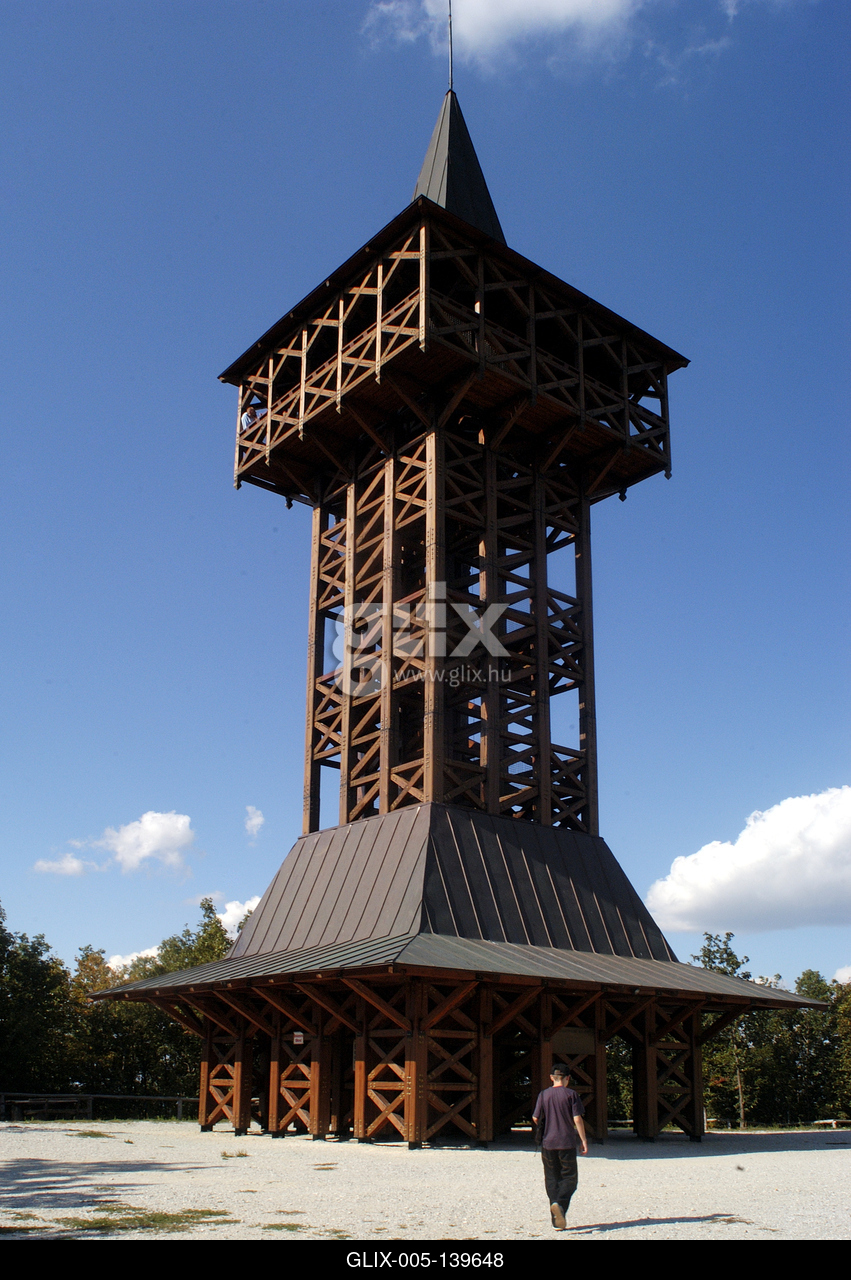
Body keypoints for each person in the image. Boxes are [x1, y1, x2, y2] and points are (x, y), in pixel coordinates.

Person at [532, 1063, 588, 1232]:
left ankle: (556, 1221)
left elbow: (535, 1118)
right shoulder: (571, 1094)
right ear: (567, 1078)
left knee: (552, 1179)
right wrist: (583, 1140)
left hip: (548, 1143)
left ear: (551, 1077)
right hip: (566, 1143)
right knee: (570, 1179)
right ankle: (560, 1204)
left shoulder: (543, 1095)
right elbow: (577, 1119)